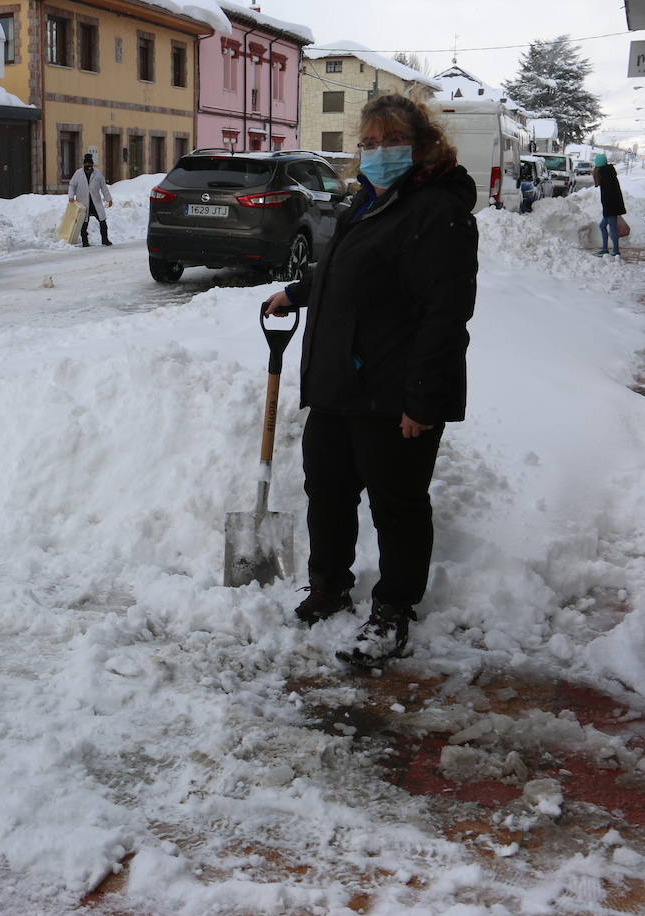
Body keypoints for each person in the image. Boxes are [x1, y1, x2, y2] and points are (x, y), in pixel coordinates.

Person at [261, 94, 479, 668]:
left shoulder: (437, 211)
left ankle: (394, 610)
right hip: (338, 384)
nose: (378, 152)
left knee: (397, 505)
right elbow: (348, 272)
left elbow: (445, 314)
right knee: (327, 492)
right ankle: (329, 585)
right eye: (370, 142)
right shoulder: (366, 201)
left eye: (391, 141)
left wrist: (423, 402)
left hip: (393, 392)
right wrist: (299, 291)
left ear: (421, 145)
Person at [68, 153, 113, 247]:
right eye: (86, 164)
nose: (88, 165)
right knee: (83, 223)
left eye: (90, 164)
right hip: (83, 203)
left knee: (102, 221)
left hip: (95, 202)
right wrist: (71, 196)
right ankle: (85, 241)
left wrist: (108, 199)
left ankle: (105, 239)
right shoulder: (78, 174)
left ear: (92, 164)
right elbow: (72, 185)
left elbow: (103, 187)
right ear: (83, 164)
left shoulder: (98, 174)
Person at [592, 152, 625, 256]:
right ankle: (605, 248)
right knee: (602, 226)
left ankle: (615, 251)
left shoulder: (605, 175)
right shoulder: (607, 173)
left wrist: (608, 209)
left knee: (612, 229)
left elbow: (610, 195)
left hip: (611, 207)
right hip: (610, 207)